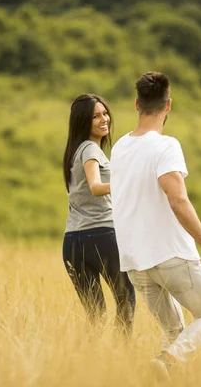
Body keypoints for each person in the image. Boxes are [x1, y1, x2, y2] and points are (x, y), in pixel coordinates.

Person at [110, 72, 201, 372]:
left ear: (137, 104)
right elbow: (178, 201)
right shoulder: (165, 146)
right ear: (168, 105)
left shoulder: (119, 147)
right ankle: (167, 360)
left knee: (173, 334)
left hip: (135, 262)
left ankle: (163, 366)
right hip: (170, 254)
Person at [62, 93, 136, 337]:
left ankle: (88, 361)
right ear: (84, 121)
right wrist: (127, 182)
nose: (104, 119)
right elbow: (95, 187)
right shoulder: (90, 149)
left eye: (105, 113)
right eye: (96, 116)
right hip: (101, 235)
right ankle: (120, 356)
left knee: (96, 315)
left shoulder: (74, 151)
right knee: (126, 298)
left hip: (73, 241)